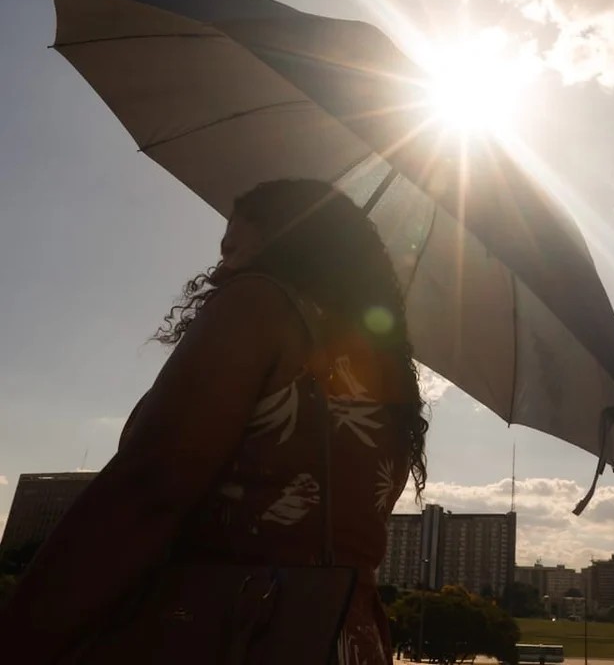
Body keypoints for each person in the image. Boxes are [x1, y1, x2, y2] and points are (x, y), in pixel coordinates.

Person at [0, 179, 427, 664]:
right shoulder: (389, 378)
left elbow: (149, 487)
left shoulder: (259, 303)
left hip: (227, 628)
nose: (223, 263)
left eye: (233, 245)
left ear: (286, 238)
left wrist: (23, 635)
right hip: (342, 638)